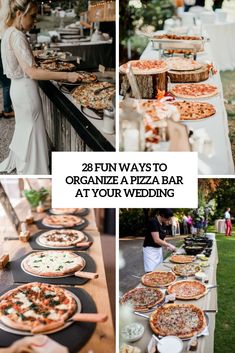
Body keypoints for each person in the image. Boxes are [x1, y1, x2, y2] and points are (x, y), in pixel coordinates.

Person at [0, 0, 80, 175]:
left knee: (25, 128)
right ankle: (35, 171)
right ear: (20, 14)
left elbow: (18, 59)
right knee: (32, 130)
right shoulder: (18, 36)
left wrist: (32, 54)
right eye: (33, 16)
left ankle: (27, 163)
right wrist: (67, 75)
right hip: (27, 91)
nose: (35, 20)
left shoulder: (8, 33)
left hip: (17, 89)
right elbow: (32, 72)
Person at [0, 0, 14, 118]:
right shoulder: (7, 2)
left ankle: (6, 108)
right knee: (6, 79)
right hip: (3, 40)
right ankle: (7, 109)